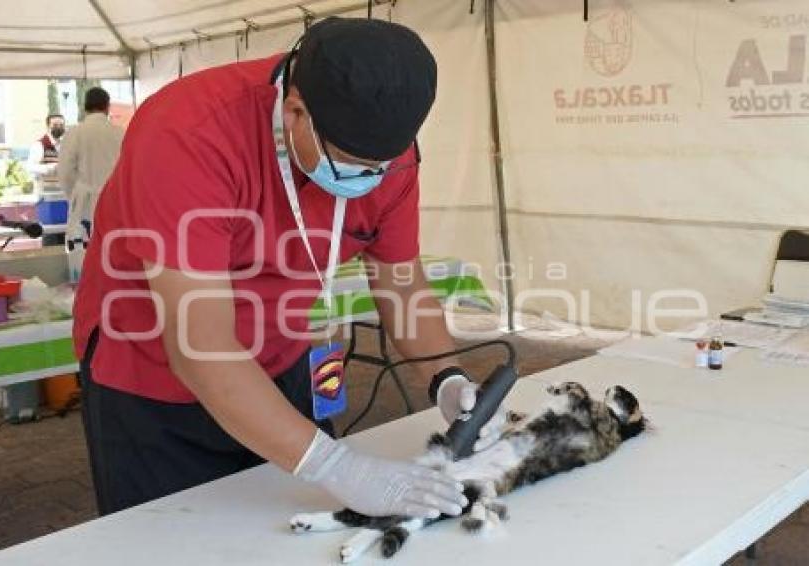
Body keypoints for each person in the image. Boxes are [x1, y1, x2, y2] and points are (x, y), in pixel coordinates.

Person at [74, 17, 507, 519]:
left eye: (379, 168)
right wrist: (338, 466)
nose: (367, 180)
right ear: (294, 111)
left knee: (296, 528)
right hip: (153, 381)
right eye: (349, 164)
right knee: (179, 539)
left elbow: (403, 285)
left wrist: (447, 378)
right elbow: (201, 348)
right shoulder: (189, 134)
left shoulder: (391, 158)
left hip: (280, 357)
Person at [58, 87, 124, 243]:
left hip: (84, 205)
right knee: (111, 249)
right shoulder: (120, 133)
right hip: (114, 204)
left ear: (84, 106)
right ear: (107, 106)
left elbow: (65, 172)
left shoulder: (75, 133)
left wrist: (75, 194)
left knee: (85, 250)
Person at [26, 113, 65, 188]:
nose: (59, 127)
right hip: (46, 192)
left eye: (61, 125)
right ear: (48, 126)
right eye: (55, 125)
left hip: (63, 192)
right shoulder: (39, 145)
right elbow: (30, 167)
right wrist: (50, 167)